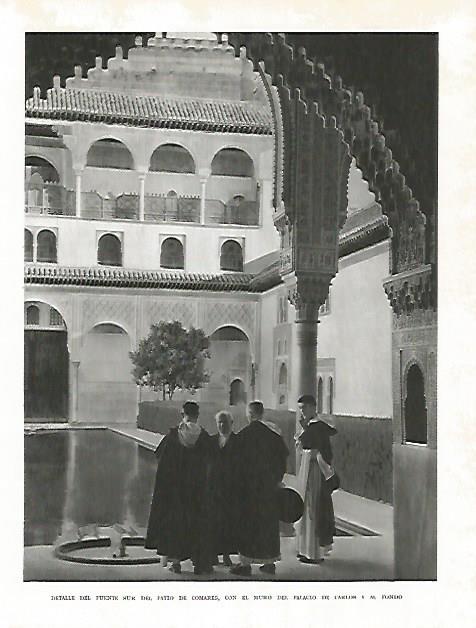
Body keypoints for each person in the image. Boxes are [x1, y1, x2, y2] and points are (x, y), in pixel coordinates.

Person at [144, 401, 213, 575]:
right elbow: (213, 461)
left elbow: (160, 457)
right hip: (198, 490)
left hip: (176, 491)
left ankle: (176, 563)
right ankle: (199, 563)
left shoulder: (174, 436)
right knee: (198, 524)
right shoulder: (204, 437)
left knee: (176, 525)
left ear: (183, 414)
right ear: (197, 415)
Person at [231, 401, 289, 576]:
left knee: (247, 524)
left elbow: (235, 464)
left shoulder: (243, 435)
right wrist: (277, 480)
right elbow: (283, 459)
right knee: (268, 524)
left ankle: (246, 565)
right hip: (268, 488)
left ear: (249, 414)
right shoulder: (273, 435)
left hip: (248, 489)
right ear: (262, 414)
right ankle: (269, 562)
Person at [295, 394, 338, 564]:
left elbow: (325, 452)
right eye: (300, 408)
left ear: (313, 408)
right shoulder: (308, 426)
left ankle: (313, 553)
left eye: (305, 408)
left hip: (314, 472)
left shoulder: (318, 427)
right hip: (307, 469)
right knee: (305, 507)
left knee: (313, 508)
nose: (302, 411)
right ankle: (304, 549)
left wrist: (313, 455)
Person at [209, 411, 240, 567]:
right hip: (214, 489)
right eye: (219, 422)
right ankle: (214, 553)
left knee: (228, 523)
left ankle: (227, 554)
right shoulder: (211, 441)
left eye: (225, 422)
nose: (222, 425)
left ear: (231, 423)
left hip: (231, 489)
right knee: (214, 522)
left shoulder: (238, 442)